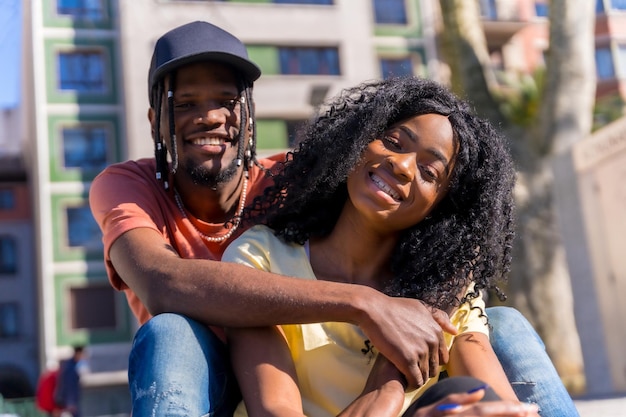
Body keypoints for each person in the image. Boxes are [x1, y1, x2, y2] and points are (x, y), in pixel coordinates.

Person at [88, 20, 579, 417]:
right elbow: (160, 282)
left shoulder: (302, 179)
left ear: (250, 114)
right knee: (169, 332)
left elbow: (453, 244)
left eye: (227, 102)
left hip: (327, 366)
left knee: (502, 323)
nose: (211, 117)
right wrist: (366, 305)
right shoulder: (128, 186)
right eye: (185, 104)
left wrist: (389, 381)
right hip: (217, 379)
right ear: (154, 120)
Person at [222, 76, 537, 417]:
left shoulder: (443, 288)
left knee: (471, 391)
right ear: (356, 139)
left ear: (442, 209)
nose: (401, 166)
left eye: (428, 172)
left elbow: (500, 407)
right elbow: (275, 412)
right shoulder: (263, 258)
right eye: (393, 141)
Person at [54, 346, 86, 417]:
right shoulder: (70, 368)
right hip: (69, 402)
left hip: (68, 401)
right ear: (78, 353)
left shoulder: (72, 365)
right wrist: (70, 403)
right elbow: (69, 386)